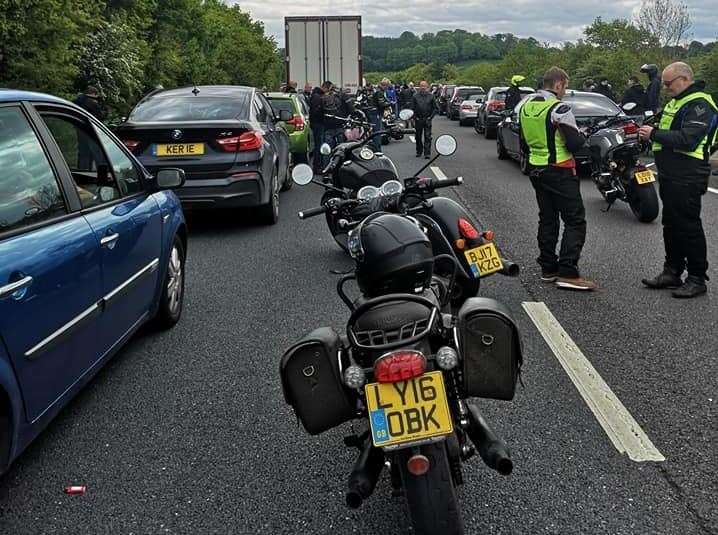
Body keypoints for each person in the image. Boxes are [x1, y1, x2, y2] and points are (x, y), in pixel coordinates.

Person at [639, 62, 717, 298]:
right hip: (671, 174)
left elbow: (688, 139)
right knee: (671, 224)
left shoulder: (700, 104)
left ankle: (696, 278)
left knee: (688, 226)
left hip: (688, 174)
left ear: (684, 79)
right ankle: (672, 271)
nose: (665, 88)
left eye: (668, 83)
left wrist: (653, 134)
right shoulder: (677, 102)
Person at [520, 66, 596, 291]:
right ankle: (568, 272)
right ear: (558, 84)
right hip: (560, 170)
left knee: (548, 218)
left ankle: (548, 267)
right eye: (565, 86)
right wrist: (582, 136)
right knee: (575, 220)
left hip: (536, 169)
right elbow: (573, 143)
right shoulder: (559, 108)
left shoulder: (526, 106)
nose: (565, 90)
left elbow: (524, 141)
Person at [411, 80, 438, 159]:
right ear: (419, 87)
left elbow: (435, 108)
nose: (423, 87)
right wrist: (415, 117)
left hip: (427, 119)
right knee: (418, 136)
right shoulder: (415, 96)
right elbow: (412, 108)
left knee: (428, 136)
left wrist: (430, 117)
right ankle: (419, 151)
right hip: (418, 119)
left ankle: (427, 153)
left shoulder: (431, 96)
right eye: (421, 86)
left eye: (424, 86)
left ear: (427, 87)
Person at [366, 79, 391, 151]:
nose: (387, 88)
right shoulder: (379, 92)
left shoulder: (376, 90)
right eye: (387, 86)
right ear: (385, 85)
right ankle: (377, 149)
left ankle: (376, 147)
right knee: (377, 132)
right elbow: (381, 104)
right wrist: (390, 103)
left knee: (375, 131)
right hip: (376, 113)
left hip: (372, 112)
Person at [309, 86, 325, 173]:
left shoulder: (314, 96)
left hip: (315, 124)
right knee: (319, 145)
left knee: (318, 145)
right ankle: (317, 166)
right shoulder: (317, 97)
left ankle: (317, 165)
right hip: (318, 124)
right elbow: (316, 112)